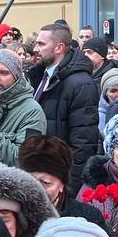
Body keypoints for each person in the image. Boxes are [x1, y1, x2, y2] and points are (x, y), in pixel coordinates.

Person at [29, 23, 100, 190]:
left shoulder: (81, 84)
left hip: (59, 180)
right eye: (36, 43)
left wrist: (69, 188)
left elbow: (83, 143)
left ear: (59, 47)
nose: (35, 49)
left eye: (41, 44)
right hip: (39, 172)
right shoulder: (40, 75)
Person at [18, 134, 107, 227]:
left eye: (45, 183)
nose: (37, 189)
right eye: (30, 181)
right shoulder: (12, 215)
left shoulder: (88, 219)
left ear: (62, 184)